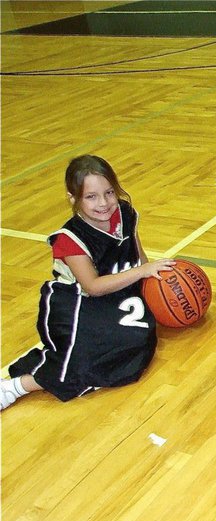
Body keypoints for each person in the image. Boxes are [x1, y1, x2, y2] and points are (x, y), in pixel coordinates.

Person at [1, 155, 174, 410]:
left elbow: (137, 256)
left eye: (109, 193)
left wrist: (151, 283)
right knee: (84, 361)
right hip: (75, 303)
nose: (104, 203)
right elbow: (92, 286)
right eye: (91, 197)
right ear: (73, 198)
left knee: (137, 341)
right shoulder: (69, 239)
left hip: (116, 294)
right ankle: (16, 387)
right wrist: (142, 272)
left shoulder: (125, 213)